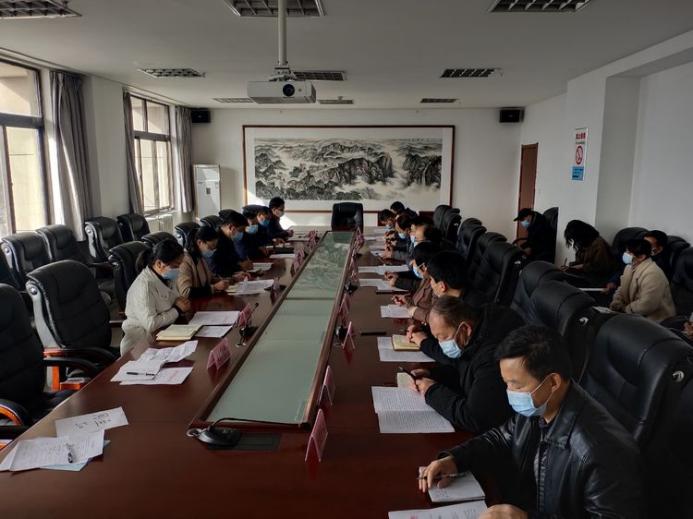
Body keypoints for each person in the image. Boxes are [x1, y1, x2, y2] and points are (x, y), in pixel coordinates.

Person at [419, 326, 643, 518]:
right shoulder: (541, 405)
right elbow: (501, 437)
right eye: (506, 383)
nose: (509, 392)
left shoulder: (601, 451)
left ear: (553, 382)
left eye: (516, 385)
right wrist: (455, 459)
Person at [405, 297, 521, 432]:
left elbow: (474, 417)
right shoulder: (478, 327)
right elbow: (465, 369)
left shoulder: (492, 355)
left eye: (443, 337)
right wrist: (434, 375)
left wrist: (431, 391)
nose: (441, 344)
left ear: (465, 329)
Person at [120, 239, 191, 354]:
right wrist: (177, 309)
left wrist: (181, 303)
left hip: (165, 334)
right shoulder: (145, 286)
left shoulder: (166, 277)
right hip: (140, 345)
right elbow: (151, 324)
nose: (178, 270)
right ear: (159, 264)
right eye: (175, 266)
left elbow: (173, 300)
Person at [609, 238, 675, 322]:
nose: (625, 254)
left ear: (641, 257)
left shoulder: (653, 274)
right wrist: (616, 302)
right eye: (626, 251)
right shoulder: (629, 266)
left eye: (629, 253)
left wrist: (624, 309)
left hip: (655, 319)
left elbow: (647, 305)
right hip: (633, 313)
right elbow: (622, 288)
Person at [177, 226, 240, 299]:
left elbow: (209, 279)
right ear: (199, 242)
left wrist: (229, 280)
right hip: (194, 303)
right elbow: (186, 292)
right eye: (210, 247)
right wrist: (214, 288)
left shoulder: (200, 257)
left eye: (214, 248)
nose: (212, 251)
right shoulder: (185, 261)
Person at [391, 241, 439, 322]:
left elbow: (435, 318)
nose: (412, 263)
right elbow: (419, 299)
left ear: (423, 267)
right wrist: (406, 300)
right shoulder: (426, 277)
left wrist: (414, 311)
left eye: (414, 261)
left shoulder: (436, 284)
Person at [561, 219, 618, 286]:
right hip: (587, 275)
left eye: (575, 238)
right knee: (561, 275)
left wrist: (582, 266)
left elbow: (601, 267)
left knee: (565, 281)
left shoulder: (599, 244)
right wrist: (569, 267)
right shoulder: (583, 244)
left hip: (598, 279)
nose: (575, 241)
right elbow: (579, 262)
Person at [211, 212, 253, 277]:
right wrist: (240, 267)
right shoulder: (215, 241)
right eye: (241, 231)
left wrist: (243, 262)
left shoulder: (228, 238)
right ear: (231, 227)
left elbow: (234, 258)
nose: (242, 233)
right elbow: (218, 269)